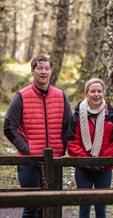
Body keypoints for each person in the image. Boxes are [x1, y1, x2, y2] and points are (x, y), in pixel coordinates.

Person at [3, 54, 72, 218]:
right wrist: (26, 149)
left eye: (47, 68)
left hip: (53, 162)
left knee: (50, 207)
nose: (43, 72)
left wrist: (61, 147)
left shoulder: (61, 96)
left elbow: (69, 126)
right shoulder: (21, 96)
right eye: (39, 68)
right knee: (31, 207)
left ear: (51, 72)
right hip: (28, 162)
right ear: (33, 71)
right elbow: (8, 127)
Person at [67, 78, 113, 218]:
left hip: (104, 168)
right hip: (83, 168)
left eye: (99, 91)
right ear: (86, 93)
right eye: (92, 91)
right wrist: (87, 162)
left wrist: (101, 162)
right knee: (84, 205)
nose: (96, 94)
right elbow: (72, 143)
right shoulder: (77, 115)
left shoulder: (111, 115)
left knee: (101, 206)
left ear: (103, 93)